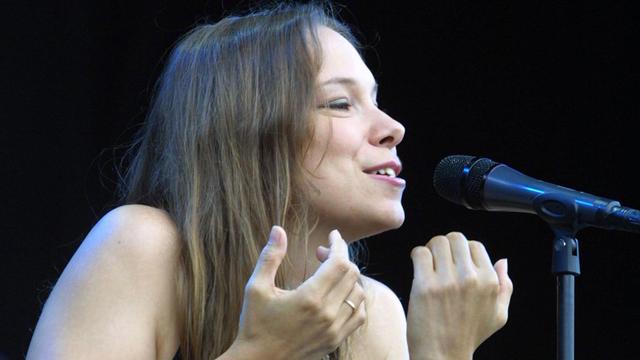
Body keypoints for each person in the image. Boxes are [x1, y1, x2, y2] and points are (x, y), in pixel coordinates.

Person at [26, 2, 513, 359]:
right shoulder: (144, 245)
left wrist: (445, 355)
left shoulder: (371, 313)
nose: (393, 128)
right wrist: (262, 352)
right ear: (249, 132)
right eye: (341, 103)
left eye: (375, 99)